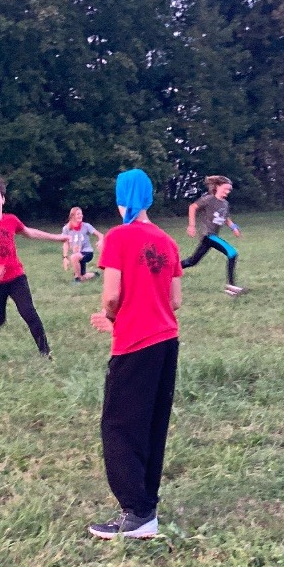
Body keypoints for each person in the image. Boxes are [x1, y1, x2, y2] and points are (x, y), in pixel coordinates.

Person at [89, 168, 183, 539]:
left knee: (119, 427)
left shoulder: (118, 237)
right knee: (151, 425)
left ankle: (136, 513)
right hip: (166, 342)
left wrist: (113, 318)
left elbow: (112, 295)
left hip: (134, 345)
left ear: (121, 199)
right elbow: (175, 300)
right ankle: (146, 509)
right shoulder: (167, 241)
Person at [0, 176, 68, 357]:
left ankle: (45, 352)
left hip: (16, 276)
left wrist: (57, 238)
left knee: (29, 313)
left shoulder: (11, 220)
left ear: (3, 200)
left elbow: (30, 233)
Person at [182, 174, 246, 295]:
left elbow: (226, 218)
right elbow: (193, 207)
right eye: (225, 189)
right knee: (232, 253)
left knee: (192, 261)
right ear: (217, 186)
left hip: (212, 236)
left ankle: (167, 270)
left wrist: (234, 228)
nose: (227, 192)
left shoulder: (225, 204)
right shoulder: (209, 199)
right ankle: (231, 287)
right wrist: (191, 225)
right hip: (208, 235)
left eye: (229, 190)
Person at [62, 207, 104, 281]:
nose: (81, 215)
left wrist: (100, 241)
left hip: (87, 252)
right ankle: (95, 274)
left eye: (81, 214)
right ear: (72, 216)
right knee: (83, 275)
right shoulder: (66, 228)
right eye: (78, 214)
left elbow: (100, 235)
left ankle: (77, 280)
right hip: (76, 253)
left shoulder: (86, 226)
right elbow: (66, 243)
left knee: (74, 257)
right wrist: (65, 257)